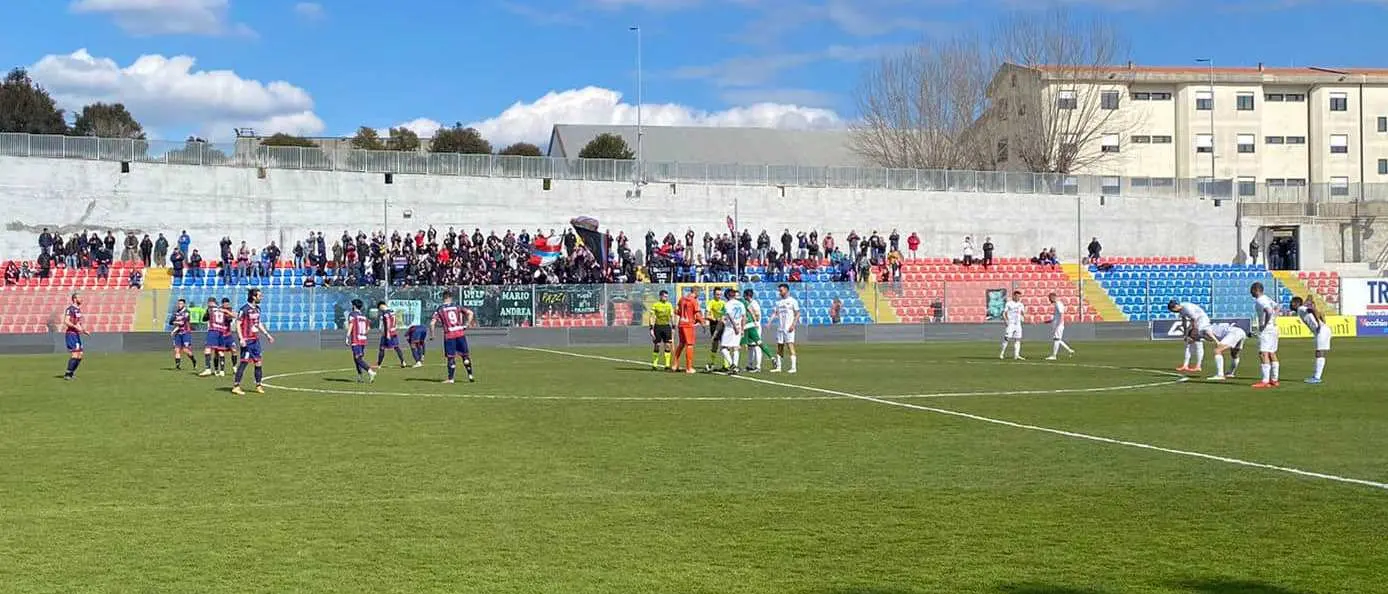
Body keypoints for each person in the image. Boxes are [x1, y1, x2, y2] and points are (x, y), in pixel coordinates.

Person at [231, 288, 274, 395]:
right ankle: (236, 386)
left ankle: (258, 385)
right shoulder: (244, 309)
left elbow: (258, 323)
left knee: (258, 362)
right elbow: (238, 324)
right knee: (244, 363)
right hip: (247, 340)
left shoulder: (258, 309)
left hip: (255, 340)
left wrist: (267, 334)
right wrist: (241, 338)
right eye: (259, 295)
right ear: (253, 297)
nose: (261, 297)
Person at [430, 292, 476, 384]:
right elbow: (470, 313)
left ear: (443, 298)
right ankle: (470, 375)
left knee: (451, 357)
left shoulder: (440, 309)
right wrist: (466, 324)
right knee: (465, 355)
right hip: (460, 333)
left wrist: (432, 335)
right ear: (450, 298)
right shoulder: (457, 306)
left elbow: (432, 323)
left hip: (449, 334)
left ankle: (451, 379)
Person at [1291, 295, 1330, 384]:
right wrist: (1321, 320)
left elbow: (1312, 310)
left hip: (1321, 330)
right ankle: (1317, 376)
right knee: (1321, 353)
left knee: (1319, 352)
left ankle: (1316, 377)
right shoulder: (1302, 308)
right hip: (1325, 329)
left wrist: (1318, 323)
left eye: (1292, 303)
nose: (1291, 304)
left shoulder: (1301, 309)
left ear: (1296, 304)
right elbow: (1317, 311)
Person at [1251, 282, 1281, 389]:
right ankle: (1274, 379)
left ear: (1255, 290)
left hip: (1267, 329)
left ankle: (1265, 381)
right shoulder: (1267, 298)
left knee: (1263, 353)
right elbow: (1277, 307)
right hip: (1274, 328)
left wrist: (1265, 323)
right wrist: (1273, 319)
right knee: (1272, 353)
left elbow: (1268, 311)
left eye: (1252, 290)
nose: (1251, 293)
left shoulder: (1260, 300)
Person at [1168, 300, 1211, 372]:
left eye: (1173, 310)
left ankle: (1198, 366)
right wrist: (1185, 334)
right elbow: (1184, 321)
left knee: (1198, 344)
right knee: (1187, 343)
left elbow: (1194, 319)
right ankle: (1185, 365)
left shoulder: (1187, 308)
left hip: (1201, 321)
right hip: (1195, 322)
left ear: (1176, 307)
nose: (1174, 312)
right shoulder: (1181, 310)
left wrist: (1194, 332)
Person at [741, 288, 775, 372]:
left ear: (747, 295)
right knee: (750, 346)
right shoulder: (749, 303)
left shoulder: (753, 303)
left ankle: (758, 366)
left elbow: (757, 315)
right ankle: (750, 365)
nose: (743, 297)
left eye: (744, 295)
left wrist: (755, 322)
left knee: (757, 345)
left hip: (754, 326)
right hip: (750, 326)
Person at [771, 283, 800, 373]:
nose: (780, 292)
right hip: (780, 327)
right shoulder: (778, 302)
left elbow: (798, 313)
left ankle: (793, 367)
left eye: (781, 290)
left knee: (790, 345)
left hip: (788, 327)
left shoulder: (793, 301)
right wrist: (770, 321)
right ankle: (779, 367)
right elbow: (775, 313)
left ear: (786, 290)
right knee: (780, 346)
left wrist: (793, 324)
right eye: (779, 290)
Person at [199, 297, 231, 377]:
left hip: (213, 330)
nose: (208, 304)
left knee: (207, 349)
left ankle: (208, 369)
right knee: (220, 351)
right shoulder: (222, 310)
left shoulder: (210, 309)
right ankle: (222, 371)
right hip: (222, 331)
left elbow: (204, 319)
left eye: (208, 302)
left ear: (211, 302)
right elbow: (230, 318)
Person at [673, 287, 702, 374]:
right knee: (689, 345)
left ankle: (675, 365)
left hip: (681, 323)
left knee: (681, 344)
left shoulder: (682, 299)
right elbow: (697, 314)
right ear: (696, 292)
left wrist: (682, 315)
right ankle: (689, 368)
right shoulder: (694, 301)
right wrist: (702, 322)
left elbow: (676, 310)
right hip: (688, 325)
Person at [347, 300, 376, 383]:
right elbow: (368, 329)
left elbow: (351, 325)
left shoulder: (352, 315)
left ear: (354, 306)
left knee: (357, 358)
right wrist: (363, 333)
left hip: (356, 339)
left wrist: (347, 336)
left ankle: (370, 371)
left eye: (352, 305)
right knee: (357, 358)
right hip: (363, 339)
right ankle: (360, 376)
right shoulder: (363, 316)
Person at [61, 293, 89, 380]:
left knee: (80, 355)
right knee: (75, 354)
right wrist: (75, 327)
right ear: (74, 299)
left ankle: (71, 373)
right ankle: (67, 374)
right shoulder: (70, 309)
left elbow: (78, 323)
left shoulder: (78, 310)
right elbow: (66, 321)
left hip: (76, 334)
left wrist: (83, 331)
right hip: (71, 334)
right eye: (79, 297)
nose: (82, 299)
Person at [719, 288, 747, 374]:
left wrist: (734, 326)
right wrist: (742, 329)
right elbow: (744, 317)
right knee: (736, 347)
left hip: (730, 327)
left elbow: (730, 316)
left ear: (727, 295)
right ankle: (735, 366)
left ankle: (732, 365)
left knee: (723, 347)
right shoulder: (740, 304)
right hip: (738, 327)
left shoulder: (728, 304)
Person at [647, 290, 675, 370]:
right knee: (657, 345)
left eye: (667, 296)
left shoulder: (669, 305)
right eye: (665, 296)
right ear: (660, 296)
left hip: (666, 326)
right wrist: (651, 328)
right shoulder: (656, 305)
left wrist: (673, 327)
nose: (666, 298)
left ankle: (667, 365)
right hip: (658, 327)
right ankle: (655, 364)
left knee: (668, 345)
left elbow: (672, 316)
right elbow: (651, 316)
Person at [168, 298, 197, 370]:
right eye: (178, 304)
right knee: (177, 349)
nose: (179, 305)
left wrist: (174, 327)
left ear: (184, 304)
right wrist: (174, 330)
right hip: (178, 333)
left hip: (186, 332)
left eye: (181, 304)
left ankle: (194, 360)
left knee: (185, 350)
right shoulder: (176, 313)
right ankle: (177, 366)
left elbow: (182, 323)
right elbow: (170, 322)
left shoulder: (187, 312)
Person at [376, 301, 406, 369]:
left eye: (379, 309)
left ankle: (379, 364)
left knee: (382, 348)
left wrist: (387, 334)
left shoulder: (385, 314)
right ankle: (403, 361)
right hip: (394, 331)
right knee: (397, 347)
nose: (380, 310)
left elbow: (388, 323)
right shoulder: (392, 311)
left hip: (387, 332)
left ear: (381, 306)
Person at [1045, 292, 1075, 360]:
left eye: (1049, 298)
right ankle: (1069, 350)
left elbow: (1062, 314)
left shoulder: (1058, 304)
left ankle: (1054, 356)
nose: (1049, 300)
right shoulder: (1057, 304)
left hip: (1059, 325)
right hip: (1057, 324)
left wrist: (1059, 324)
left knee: (1056, 339)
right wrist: (1050, 321)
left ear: (1053, 297)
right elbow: (1057, 316)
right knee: (1058, 339)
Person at [999, 290, 1026, 360]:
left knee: (1018, 339)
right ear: (1014, 296)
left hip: (1018, 324)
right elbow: (1004, 313)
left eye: (1019, 297)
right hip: (1011, 324)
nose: (1018, 298)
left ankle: (1016, 355)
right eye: (1017, 296)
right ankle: (1002, 353)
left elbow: (1023, 313)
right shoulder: (1009, 303)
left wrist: (1023, 317)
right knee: (1007, 338)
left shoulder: (1021, 304)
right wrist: (1006, 321)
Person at [704, 290, 726, 372]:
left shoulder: (723, 303)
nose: (719, 296)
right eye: (717, 294)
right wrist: (715, 319)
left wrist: (723, 319)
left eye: (720, 294)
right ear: (714, 294)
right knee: (715, 343)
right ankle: (712, 363)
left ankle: (726, 365)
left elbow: (726, 314)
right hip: (714, 324)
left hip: (723, 325)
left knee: (725, 344)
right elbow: (706, 315)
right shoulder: (711, 302)